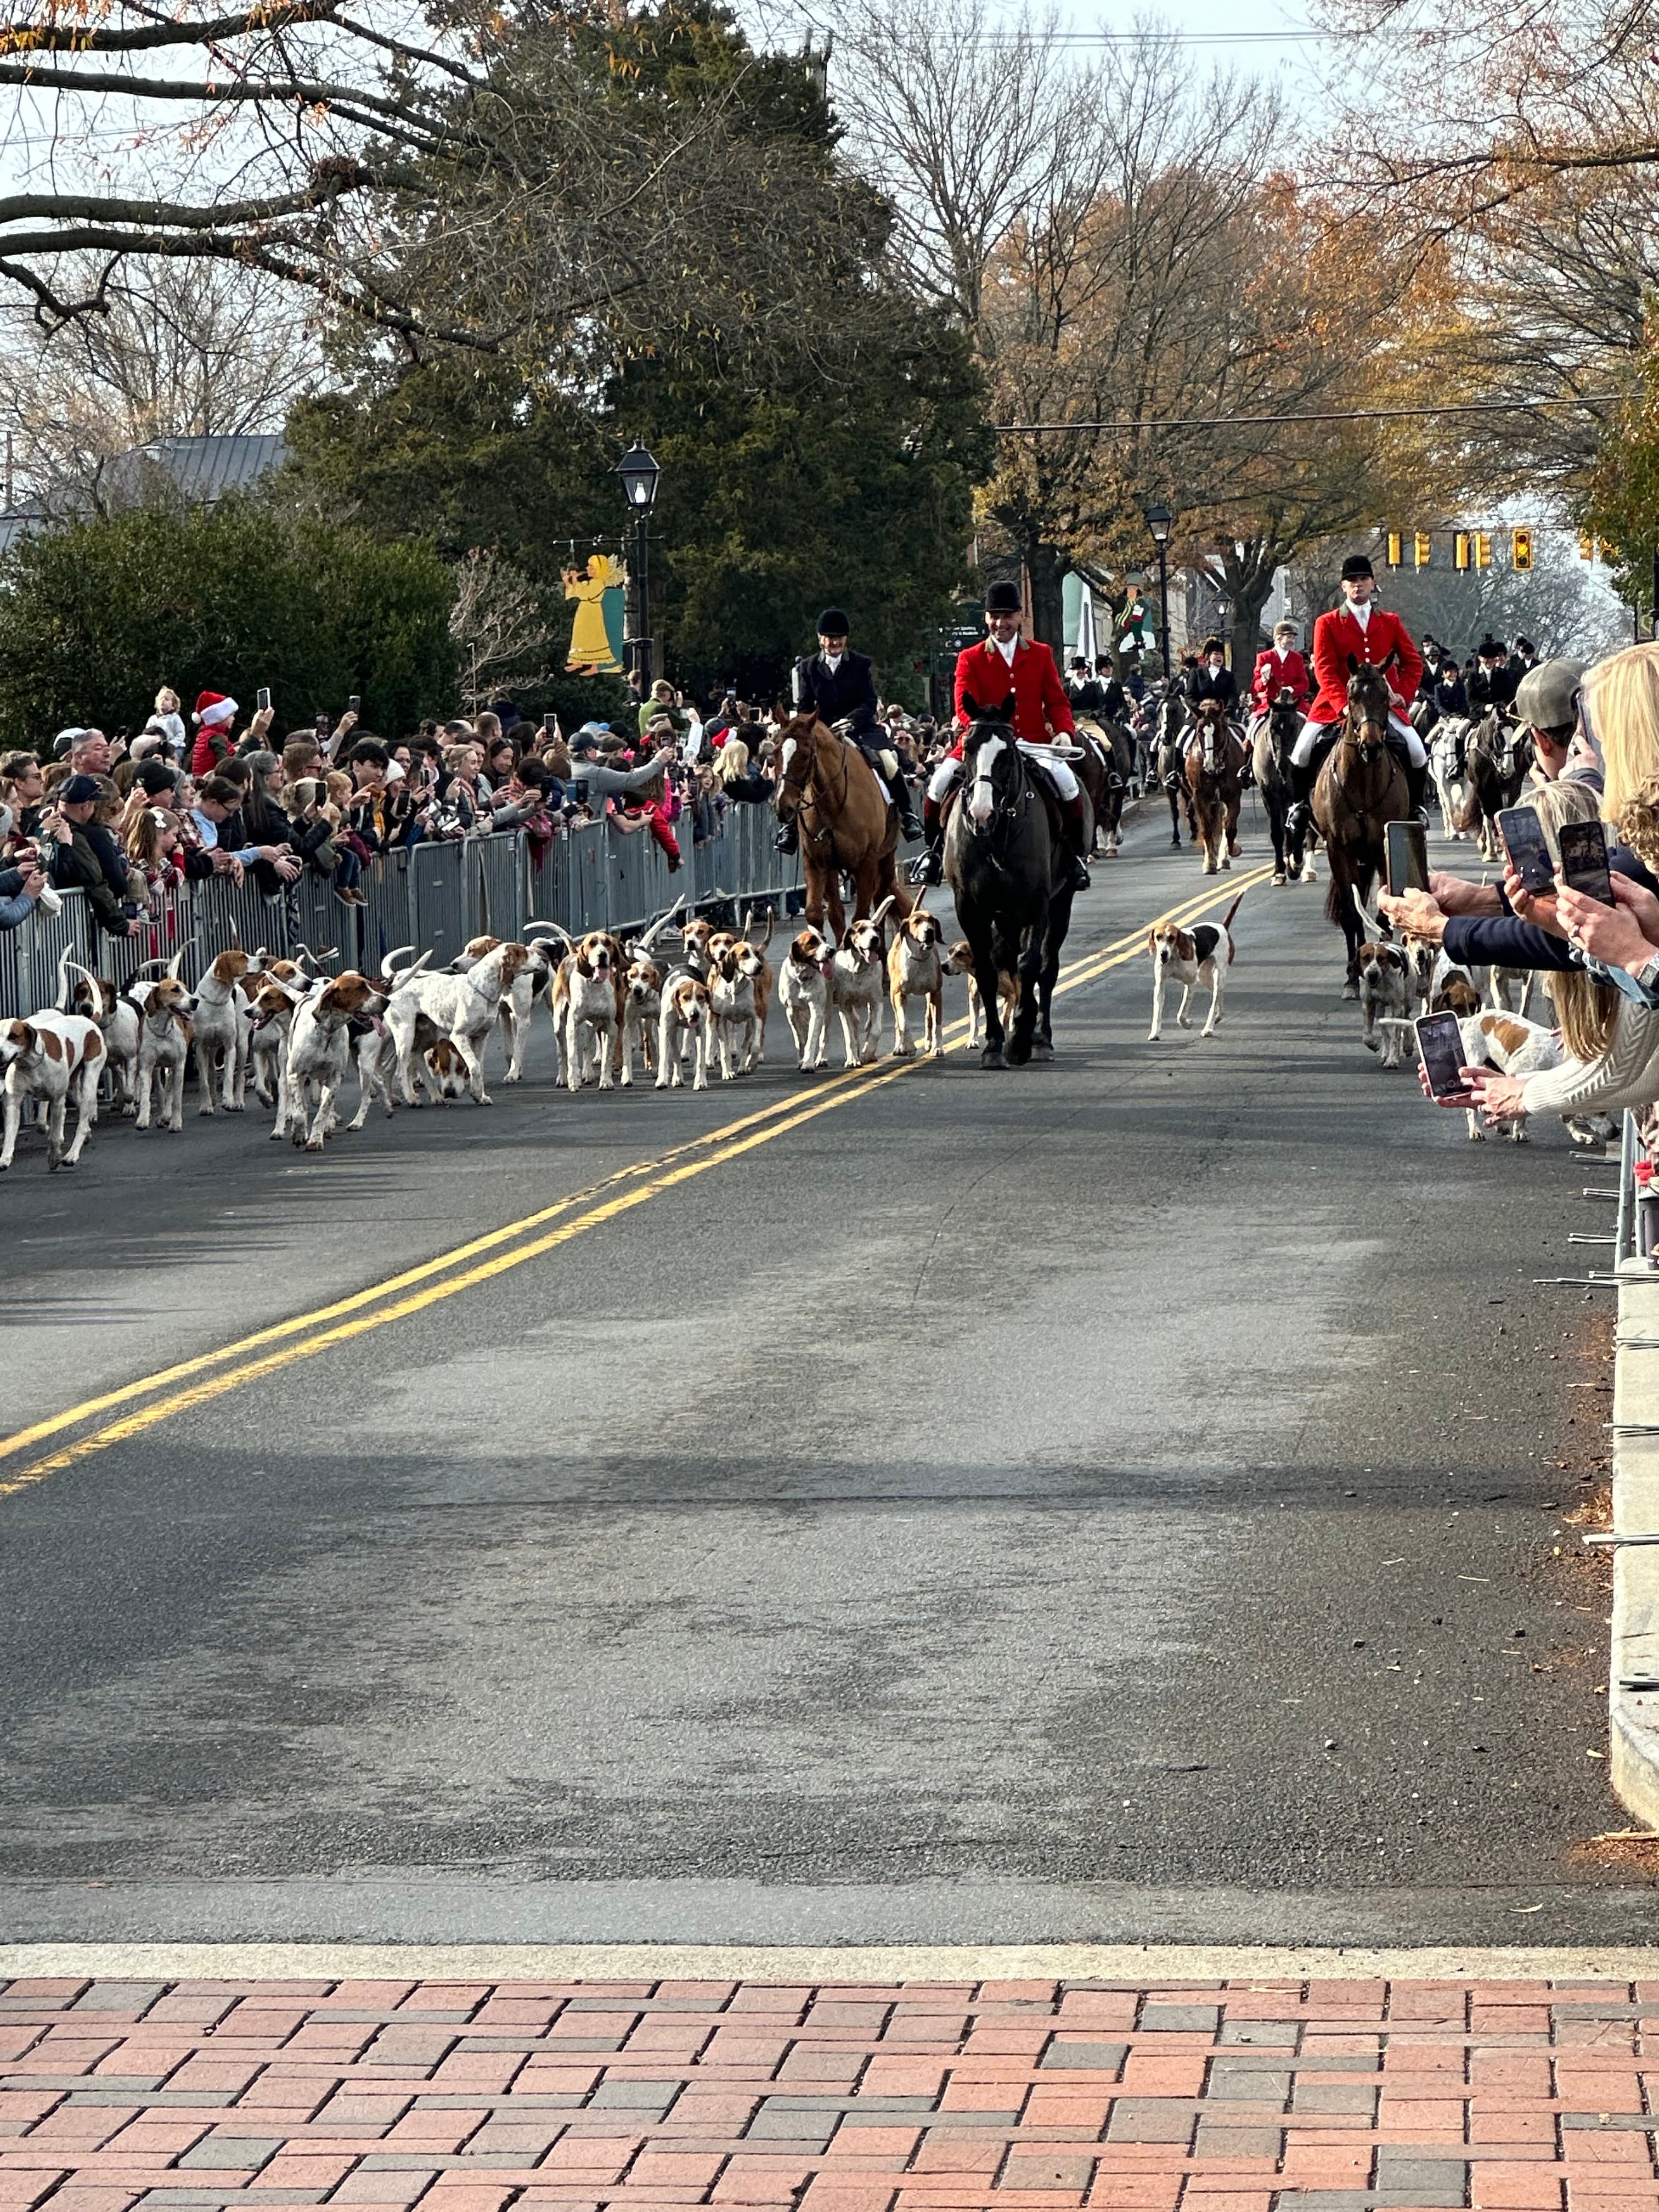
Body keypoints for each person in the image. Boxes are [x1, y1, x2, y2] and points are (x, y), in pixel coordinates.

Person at [919, 578, 1090, 890]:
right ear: (987, 619)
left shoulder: (1040, 654)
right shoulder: (970, 657)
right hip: (984, 744)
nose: (1001, 623)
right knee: (938, 784)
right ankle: (932, 854)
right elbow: (962, 703)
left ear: (1020, 617)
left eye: (1007, 616)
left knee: (1068, 786)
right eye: (994, 616)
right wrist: (975, 724)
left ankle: (1075, 856)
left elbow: (1055, 700)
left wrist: (1064, 731)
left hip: (1034, 743)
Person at [1284, 554, 1427, 839]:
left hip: (1381, 706)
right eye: (1352, 581)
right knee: (1301, 751)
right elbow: (1324, 668)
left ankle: (1417, 808)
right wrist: (1343, 706)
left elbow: (1413, 663)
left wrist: (1402, 694)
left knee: (1417, 751)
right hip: (1335, 705)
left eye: (1363, 580)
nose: (1358, 585)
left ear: (1373, 584)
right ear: (1343, 587)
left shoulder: (1390, 621)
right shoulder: (1327, 623)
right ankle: (1299, 807)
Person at [781, 607, 922, 845]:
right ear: (820, 638)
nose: (835, 642)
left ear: (845, 639)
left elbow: (868, 702)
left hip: (860, 728)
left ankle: (908, 816)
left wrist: (850, 721)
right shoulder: (808, 667)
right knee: (798, 766)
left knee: (888, 762)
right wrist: (816, 728)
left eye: (839, 638)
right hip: (823, 731)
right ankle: (790, 828)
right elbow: (805, 706)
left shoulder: (861, 664)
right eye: (830, 637)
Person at [1248, 622, 1311, 732]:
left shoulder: (1298, 658)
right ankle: (1247, 747)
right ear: (1278, 638)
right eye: (1289, 637)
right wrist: (1264, 679)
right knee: (1252, 728)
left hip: (1293, 704)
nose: (1292, 641)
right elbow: (1256, 687)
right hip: (1270, 703)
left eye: (1293, 638)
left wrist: (1292, 690)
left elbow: (1304, 683)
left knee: (1310, 727)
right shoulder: (1264, 657)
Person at [1184, 636, 1238, 713]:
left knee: (1240, 726)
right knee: (1186, 726)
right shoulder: (1197, 674)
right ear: (1208, 656)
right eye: (1216, 654)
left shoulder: (1229, 676)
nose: (1219, 656)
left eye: (1221, 654)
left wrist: (1228, 709)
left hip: (1223, 715)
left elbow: (1233, 696)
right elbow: (1189, 696)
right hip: (1200, 713)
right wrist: (1198, 708)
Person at [1468, 637, 1519, 712]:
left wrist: (1501, 704)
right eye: (1487, 658)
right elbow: (1471, 699)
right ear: (1480, 658)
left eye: (1493, 658)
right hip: (1479, 713)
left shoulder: (1503, 674)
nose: (1490, 661)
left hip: (1500, 711)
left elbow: (1509, 693)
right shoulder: (1473, 676)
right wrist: (1484, 707)